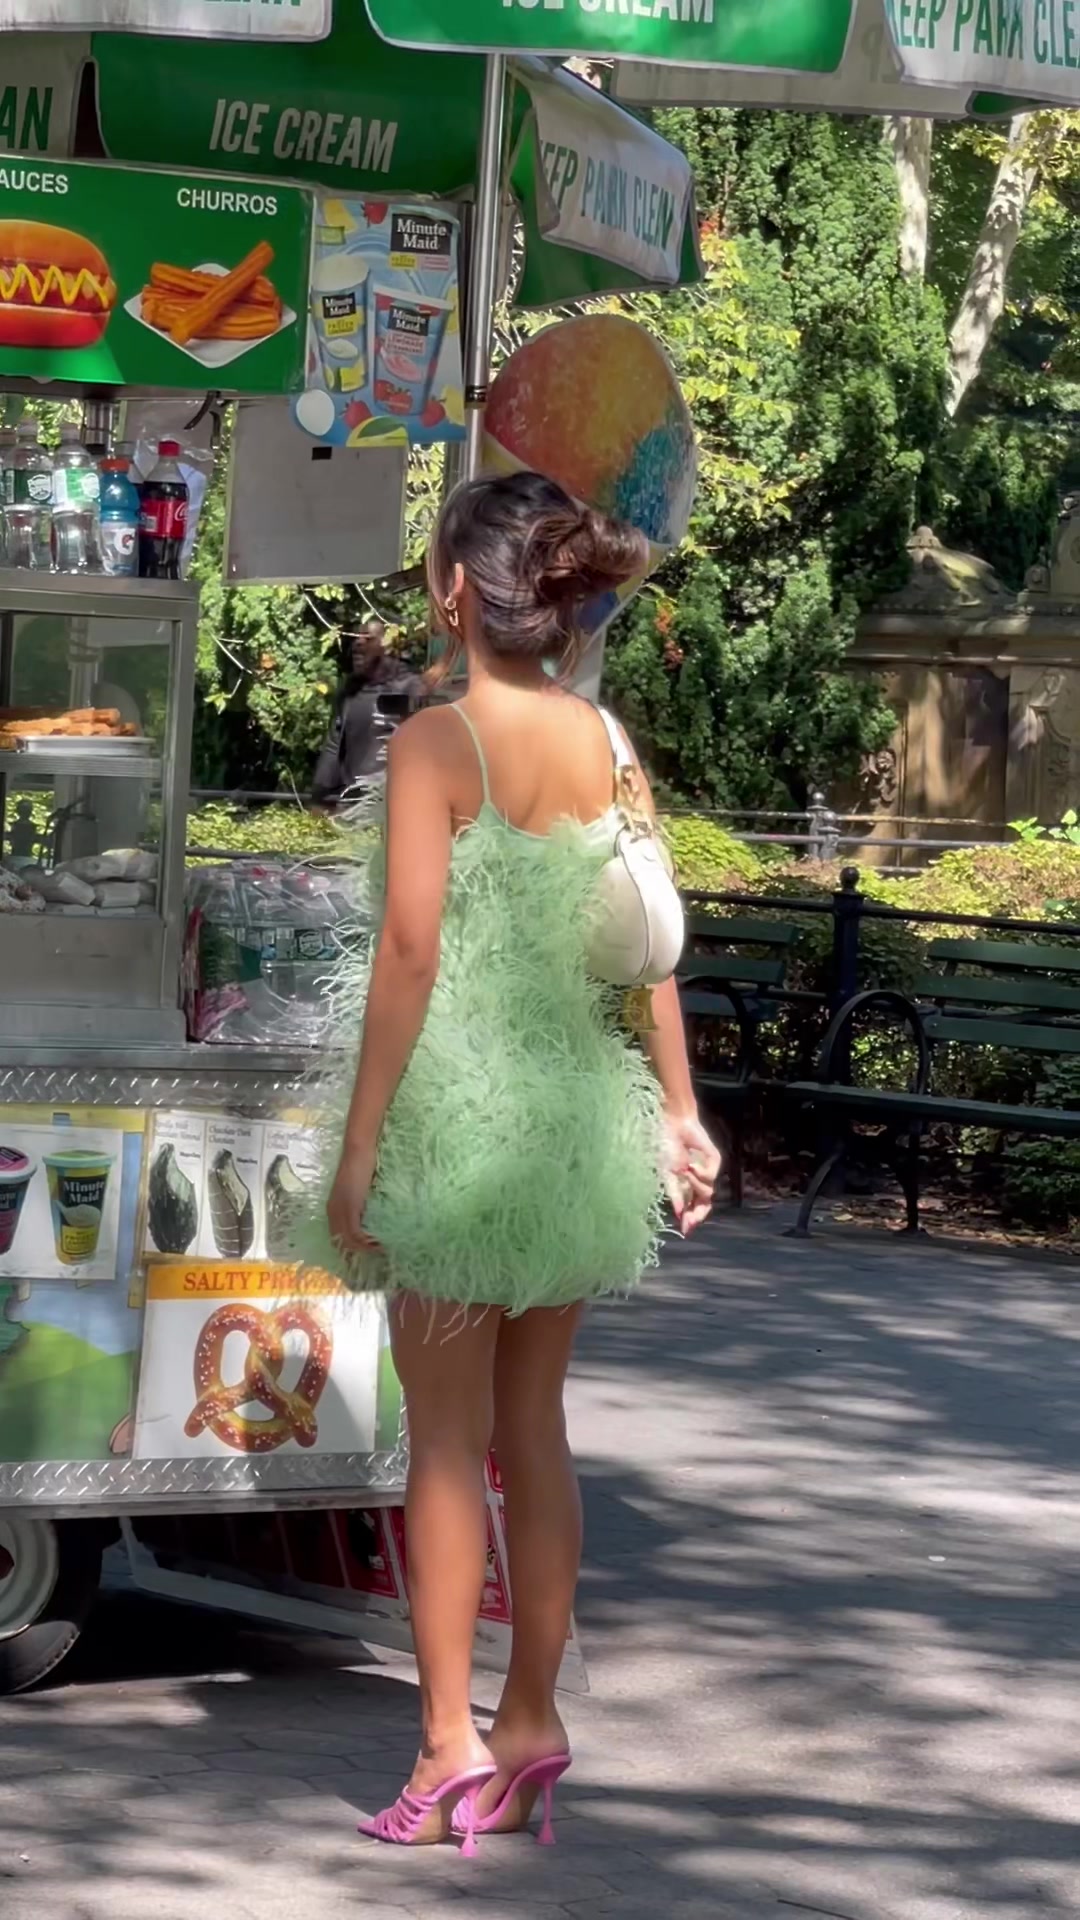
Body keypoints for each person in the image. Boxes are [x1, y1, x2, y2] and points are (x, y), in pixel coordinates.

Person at [290, 471, 720, 1854]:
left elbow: (409, 954)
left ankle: (444, 1749)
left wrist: (358, 1148)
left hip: (458, 1126)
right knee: (536, 1434)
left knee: (443, 1444)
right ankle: (529, 1719)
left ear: (454, 592)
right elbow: (644, 939)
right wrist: (679, 1109)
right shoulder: (607, 741)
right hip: (575, 1126)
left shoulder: (438, 742)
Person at [310, 616, 421, 809]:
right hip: (350, 805)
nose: (358, 643)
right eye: (355, 638)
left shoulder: (410, 688)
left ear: (387, 645)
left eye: (368, 638)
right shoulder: (350, 692)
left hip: (390, 806)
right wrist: (319, 797)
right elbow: (333, 747)